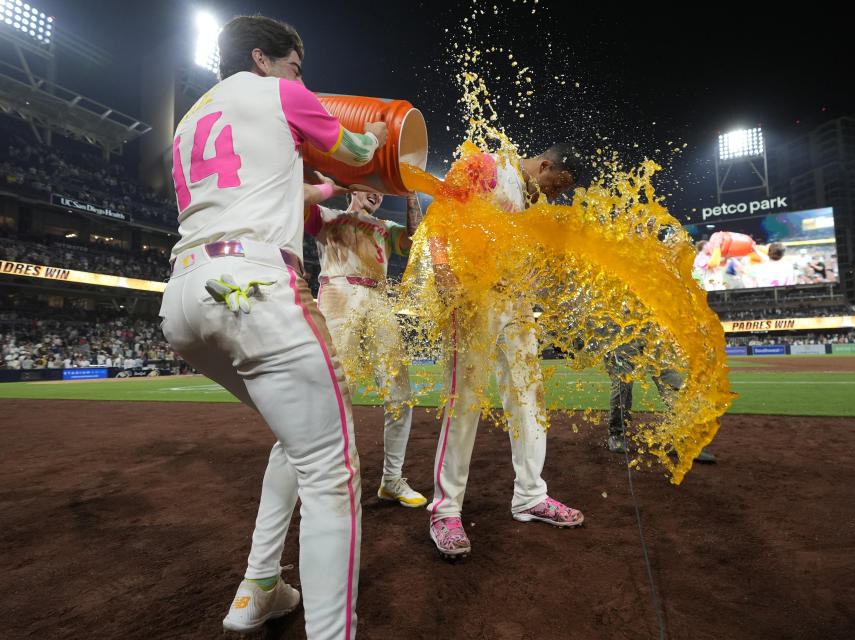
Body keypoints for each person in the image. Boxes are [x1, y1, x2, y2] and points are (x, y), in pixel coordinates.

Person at [158, 15, 387, 639]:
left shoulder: (192, 117)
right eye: (294, 64)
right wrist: (373, 139)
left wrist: (322, 197)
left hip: (183, 298)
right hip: (257, 288)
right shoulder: (279, 92)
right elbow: (361, 152)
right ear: (263, 59)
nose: (300, 77)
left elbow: (265, 191)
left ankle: (259, 585)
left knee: (297, 438)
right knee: (331, 468)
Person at [425, 144, 585, 559]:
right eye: (554, 187)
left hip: (517, 304)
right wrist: (442, 267)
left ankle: (531, 496)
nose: (552, 196)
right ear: (545, 166)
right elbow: (442, 209)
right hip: (473, 297)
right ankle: (445, 511)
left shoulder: (531, 201)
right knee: (465, 402)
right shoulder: (487, 164)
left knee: (530, 398)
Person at [306, 190, 426, 507]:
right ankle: (330, 482)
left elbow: (417, 241)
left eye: (380, 189)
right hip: (337, 293)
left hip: (378, 299)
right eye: (368, 185)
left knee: (400, 396)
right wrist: (336, 180)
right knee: (336, 393)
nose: (375, 193)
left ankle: (392, 481)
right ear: (355, 187)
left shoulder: (385, 227)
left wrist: (411, 197)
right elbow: (294, 201)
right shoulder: (327, 216)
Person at [604, 337, 717, 463]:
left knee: (672, 382)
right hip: (620, 339)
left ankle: (685, 439)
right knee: (623, 383)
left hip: (651, 337)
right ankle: (617, 434)